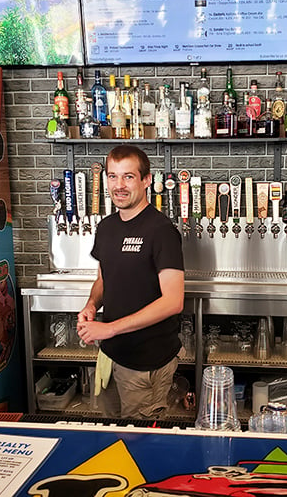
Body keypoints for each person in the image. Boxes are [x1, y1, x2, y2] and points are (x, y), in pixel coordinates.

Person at [76, 144, 185, 419]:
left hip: (145, 364)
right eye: (112, 176)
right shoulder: (107, 227)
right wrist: (91, 304)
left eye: (128, 176)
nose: (119, 185)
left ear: (146, 180)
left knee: (142, 447)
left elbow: (173, 301)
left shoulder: (162, 231)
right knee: (112, 439)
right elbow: (104, 278)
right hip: (111, 356)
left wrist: (110, 328)